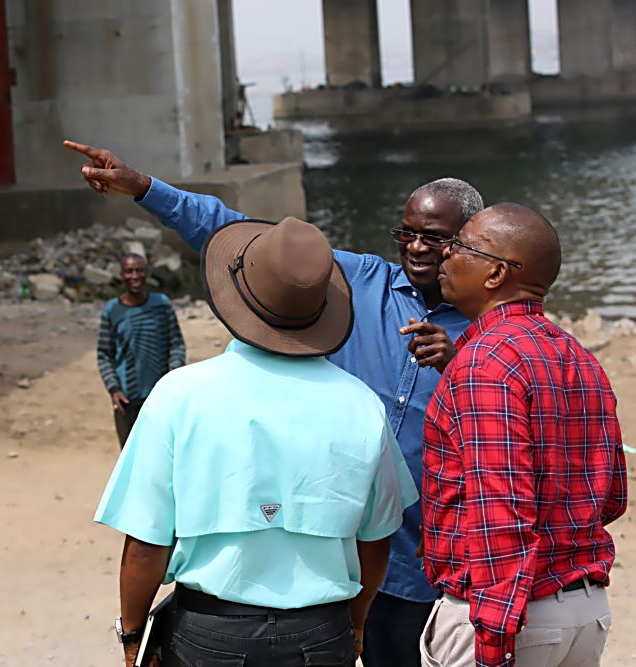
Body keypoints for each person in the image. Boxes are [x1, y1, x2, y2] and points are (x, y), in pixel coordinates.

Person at [65, 139, 480, 666]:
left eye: (434, 238)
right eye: (407, 234)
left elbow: (512, 434)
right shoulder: (356, 279)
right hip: (341, 564)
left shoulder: (486, 332)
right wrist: (144, 188)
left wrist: (462, 363)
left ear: (470, 244)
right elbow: (244, 237)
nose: (416, 248)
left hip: (422, 566)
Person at [94, 216, 419, 667]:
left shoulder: (179, 394)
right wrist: (357, 623)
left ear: (236, 298)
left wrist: (132, 633)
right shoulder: (361, 404)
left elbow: (146, 545)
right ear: (322, 307)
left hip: (209, 633)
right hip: (321, 634)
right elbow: (377, 539)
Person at [420, 203, 628, 667]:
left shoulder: (483, 363)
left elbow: (501, 517)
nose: (445, 255)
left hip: (509, 618)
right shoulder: (578, 357)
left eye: (459, 245)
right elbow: (610, 497)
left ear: (495, 274)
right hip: (582, 609)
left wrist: (493, 645)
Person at [96, 253, 185, 447]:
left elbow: (176, 344)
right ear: (122, 275)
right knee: (130, 458)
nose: (134, 276)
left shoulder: (161, 305)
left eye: (139, 270)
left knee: (161, 454)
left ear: (147, 274)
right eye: (129, 271)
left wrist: (173, 379)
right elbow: (104, 354)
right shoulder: (112, 311)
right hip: (126, 400)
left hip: (159, 397)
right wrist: (114, 389)